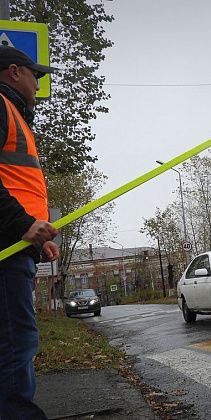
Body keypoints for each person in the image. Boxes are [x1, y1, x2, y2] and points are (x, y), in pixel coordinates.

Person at [0, 46, 59, 419]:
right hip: (6, 249)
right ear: (13, 71)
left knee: (14, 342)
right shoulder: (1, 108)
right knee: (16, 343)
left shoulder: (16, 116)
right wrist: (23, 225)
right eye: (34, 74)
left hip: (17, 247)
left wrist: (40, 238)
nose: (38, 82)